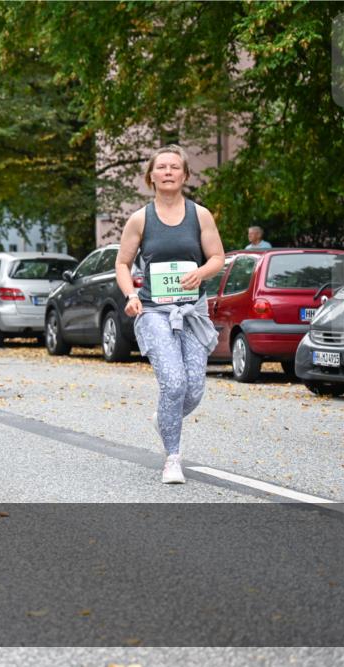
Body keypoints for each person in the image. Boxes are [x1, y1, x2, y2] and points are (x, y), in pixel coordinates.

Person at [115, 145, 225, 484]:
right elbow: (122, 263)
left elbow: (217, 258)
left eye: (174, 167)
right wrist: (131, 295)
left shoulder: (200, 215)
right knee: (173, 382)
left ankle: (164, 416)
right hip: (154, 311)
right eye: (161, 167)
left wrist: (201, 274)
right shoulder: (140, 219)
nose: (167, 172)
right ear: (151, 176)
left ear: (185, 175)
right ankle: (172, 459)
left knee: (193, 390)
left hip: (193, 310)